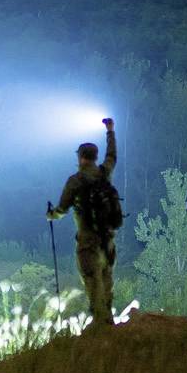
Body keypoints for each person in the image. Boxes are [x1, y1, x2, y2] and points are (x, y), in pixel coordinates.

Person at [48, 118, 119, 325]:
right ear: (95, 157)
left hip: (87, 240)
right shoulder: (104, 173)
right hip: (108, 239)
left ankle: (100, 324)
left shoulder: (75, 180)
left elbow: (62, 209)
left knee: (91, 279)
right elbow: (112, 155)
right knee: (106, 278)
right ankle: (108, 319)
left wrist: (51, 215)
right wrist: (110, 131)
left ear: (80, 158)